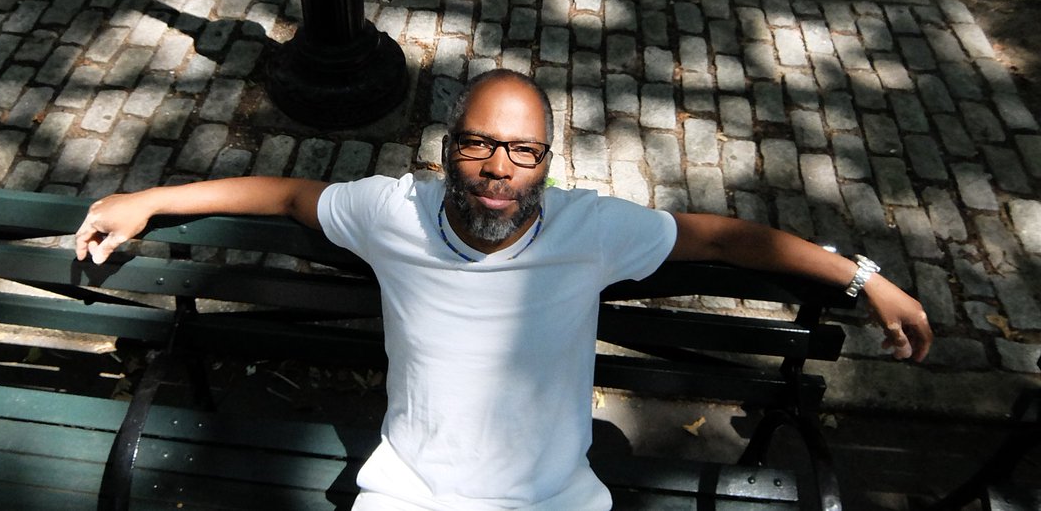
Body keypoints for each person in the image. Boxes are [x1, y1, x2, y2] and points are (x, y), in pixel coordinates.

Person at [75, 69, 932, 510]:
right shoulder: (390, 211)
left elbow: (721, 236)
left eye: (521, 152)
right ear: (448, 149)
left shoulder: (590, 229)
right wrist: (152, 199)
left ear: (546, 166)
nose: (498, 168)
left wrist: (864, 277)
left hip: (552, 497)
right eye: (479, 144)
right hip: (409, 490)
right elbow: (286, 195)